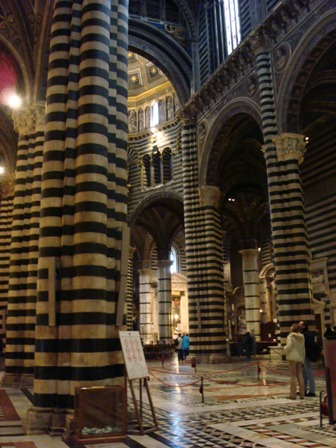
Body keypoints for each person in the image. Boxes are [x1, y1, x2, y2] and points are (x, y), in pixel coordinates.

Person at [284, 323, 305, 400]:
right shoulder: (302, 336)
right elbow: (303, 348)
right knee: (300, 375)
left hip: (292, 357)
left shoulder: (290, 336)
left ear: (292, 328)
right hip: (299, 357)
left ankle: (293, 395)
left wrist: (284, 350)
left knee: (293, 376)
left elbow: (289, 346)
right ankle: (302, 394)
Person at [299, 322, 317, 397]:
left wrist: (305, 353)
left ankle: (312, 391)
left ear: (303, 326)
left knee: (309, 372)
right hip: (305, 355)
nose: (299, 327)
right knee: (304, 373)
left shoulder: (307, 334)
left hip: (307, 355)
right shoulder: (308, 333)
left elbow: (308, 345)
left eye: (300, 325)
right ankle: (304, 389)